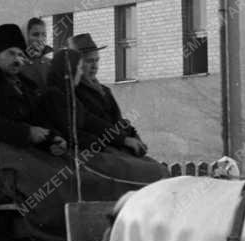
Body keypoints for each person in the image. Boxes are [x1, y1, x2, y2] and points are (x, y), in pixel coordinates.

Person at [0, 24, 72, 241]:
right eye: (10, 54)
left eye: (19, 54)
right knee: (41, 178)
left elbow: (39, 119)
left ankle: (70, 234)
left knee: (67, 170)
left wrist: (53, 139)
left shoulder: (26, 85)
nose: (16, 59)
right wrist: (27, 133)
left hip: (24, 147)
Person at [43, 47, 164, 187]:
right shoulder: (58, 95)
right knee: (143, 172)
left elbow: (95, 121)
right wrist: (109, 143)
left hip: (104, 145)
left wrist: (131, 136)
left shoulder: (92, 92)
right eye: (85, 64)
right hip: (86, 152)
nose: (94, 66)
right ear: (67, 71)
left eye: (97, 60)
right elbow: (73, 133)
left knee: (151, 168)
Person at [67, 33, 151, 157]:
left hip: (117, 146)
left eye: (97, 60)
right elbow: (91, 123)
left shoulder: (104, 90)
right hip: (96, 150)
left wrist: (134, 136)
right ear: (77, 65)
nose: (95, 66)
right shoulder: (73, 92)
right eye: (89, 61)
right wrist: (124, 140)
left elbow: (118, 120)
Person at [20, 16, 53, 92]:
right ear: (25, 36)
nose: (40, 39)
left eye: (44, 35)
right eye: (35, 35)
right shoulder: (17, 63)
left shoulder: (50, 61)